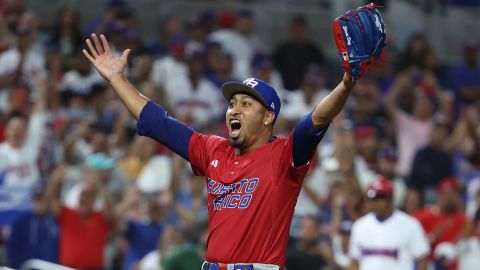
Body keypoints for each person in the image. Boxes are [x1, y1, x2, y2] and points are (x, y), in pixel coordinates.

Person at [82, 26, 358, 269]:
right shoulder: (213, 149)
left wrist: (346, 82)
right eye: (232, 103)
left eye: (246, 104)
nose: (234, 109)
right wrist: (117, 79)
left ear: (268, 117)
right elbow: (158, 122)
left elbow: (317, 119)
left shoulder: (285, 155)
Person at [349, 177, 430, 270]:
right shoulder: (360, 226)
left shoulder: (410, 224)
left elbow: (422, 259)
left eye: (379, 198)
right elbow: (354, 262)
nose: (375, 203)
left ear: (390, 198)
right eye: (372, 198)